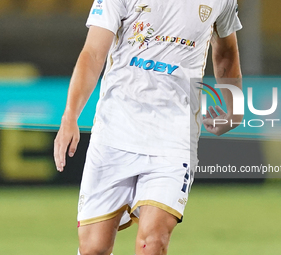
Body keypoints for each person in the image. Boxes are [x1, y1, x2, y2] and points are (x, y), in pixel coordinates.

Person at [53, 0, 243, 254]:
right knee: (93, 248)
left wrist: (235, 111)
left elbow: (226, 51)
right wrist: (70, 116)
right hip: (115, 130)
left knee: (152, 243)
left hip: (174, 137)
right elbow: (93, 53)